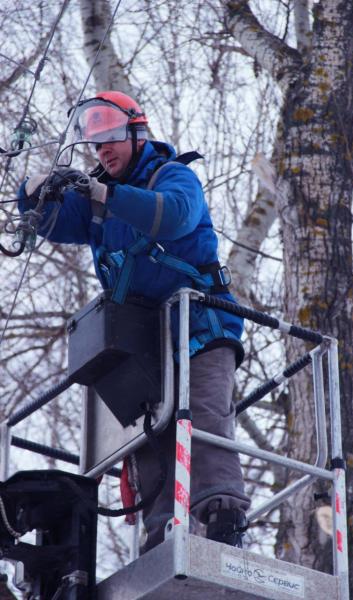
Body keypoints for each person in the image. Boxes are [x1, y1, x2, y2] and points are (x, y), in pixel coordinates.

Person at [18, 90, 250, 551]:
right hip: (143, 341)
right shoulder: (95, 206)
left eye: (111, 140)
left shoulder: (173, 177)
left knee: (202, 415)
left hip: (200, 325)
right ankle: (161, 535)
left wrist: (105, 194)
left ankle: (223, 516)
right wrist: (35, 185)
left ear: (137, 134)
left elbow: (172, 218)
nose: (103, 151)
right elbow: (46, 223)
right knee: (149, 435)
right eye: (96, 146)